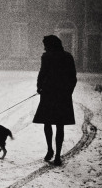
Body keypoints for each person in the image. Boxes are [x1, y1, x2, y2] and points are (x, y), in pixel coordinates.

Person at [32, 35, 77, 166]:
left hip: (48, 94)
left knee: (47, 123)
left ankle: (50, 150)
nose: (44, 47)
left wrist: (39, 87)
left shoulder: (46, 57)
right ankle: (57, 155)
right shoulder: (68, 56)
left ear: (49, 45)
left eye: (45, 44)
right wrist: (68, 92)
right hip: (63, 95)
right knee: (60, 125)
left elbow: (42, 73)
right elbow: (72, 77)